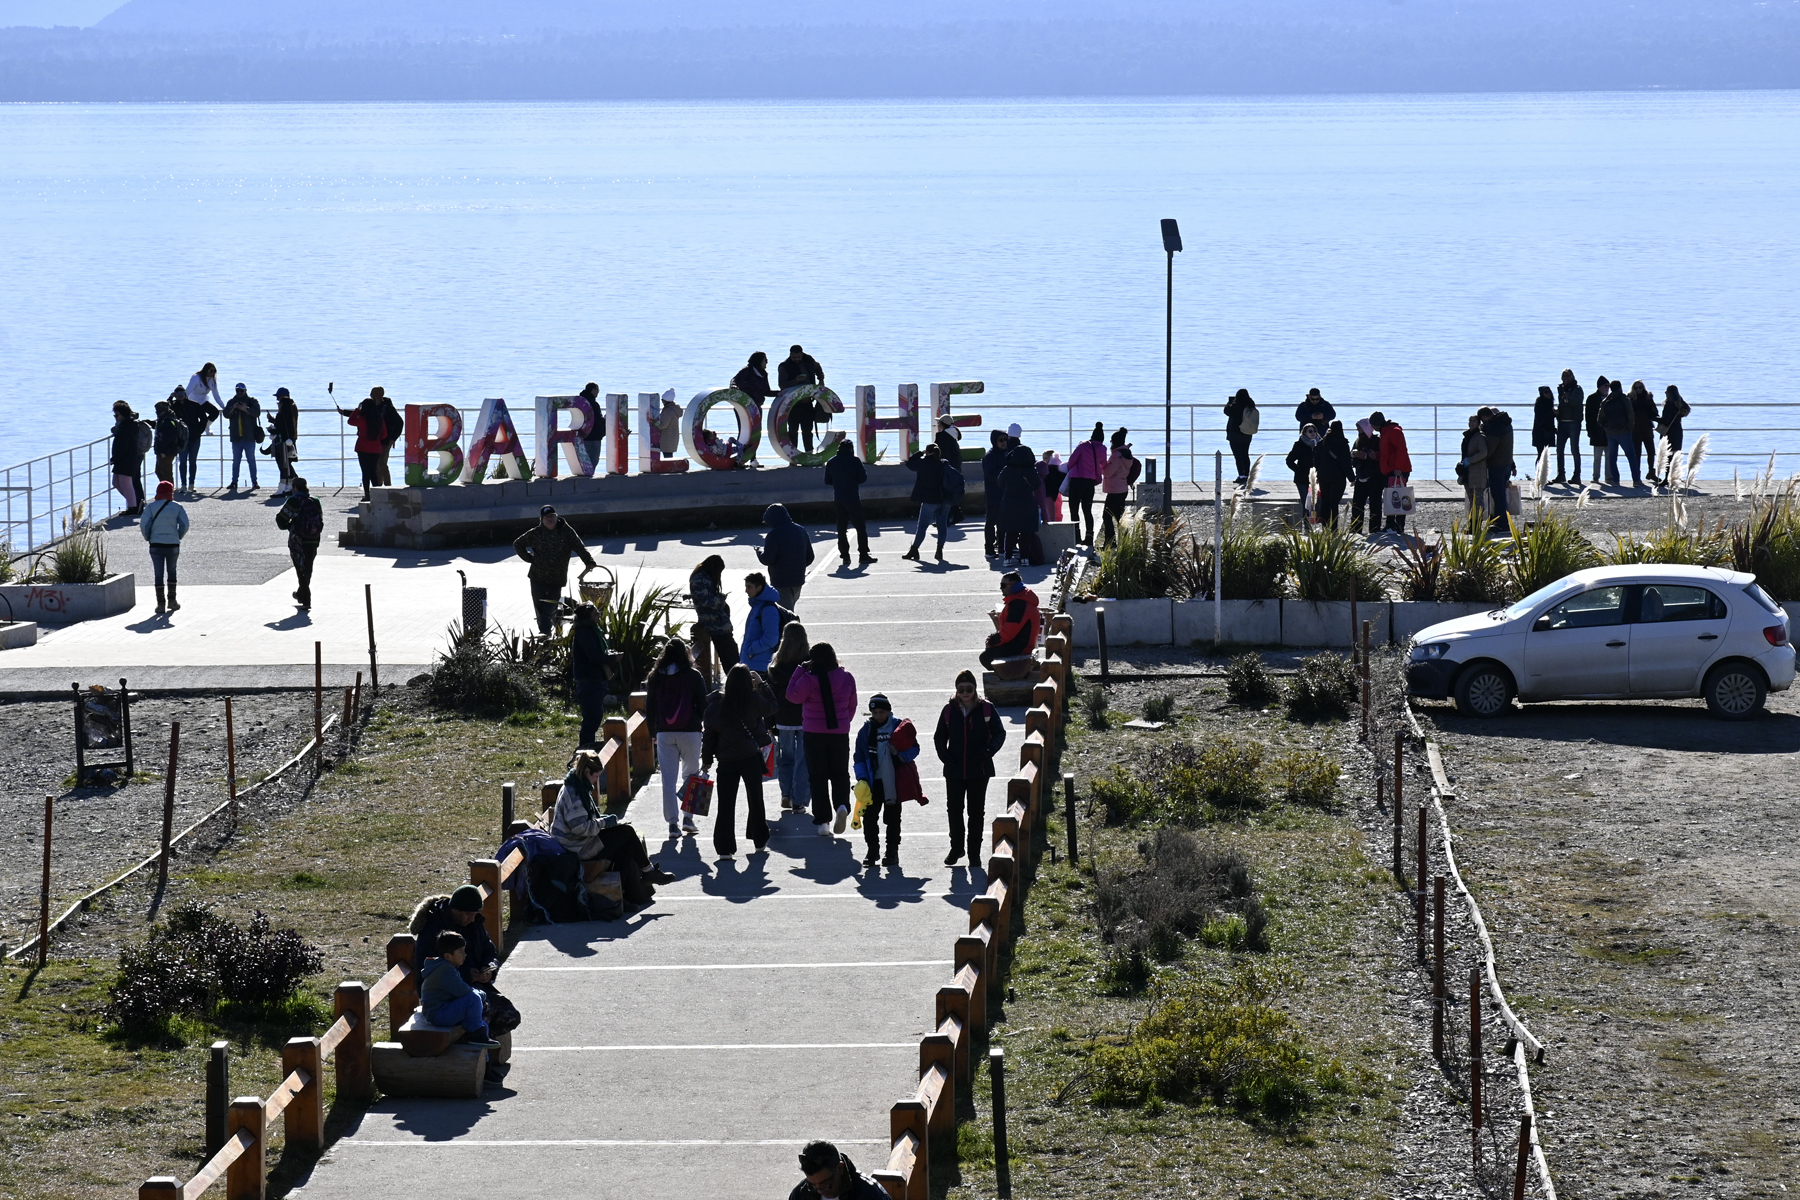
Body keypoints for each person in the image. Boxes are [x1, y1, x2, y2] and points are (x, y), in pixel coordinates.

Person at [409, 883, 527, 1080]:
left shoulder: (474, 922)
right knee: (482, 1011)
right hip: (446, 992)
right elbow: (435, 969)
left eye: (474, 915)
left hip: (471, 985)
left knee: (509, 1016)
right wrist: (467, 975)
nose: (471, 919)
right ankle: (479, 1062)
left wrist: (489, 968)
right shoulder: (434, 930)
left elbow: (489, 949)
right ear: (455, 909)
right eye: (467, 915)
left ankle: (474, 1047)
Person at [550, 749, 673, 895]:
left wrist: (606, 821)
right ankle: (648, 872)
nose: (596, 781)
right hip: (576, 846)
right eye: (596, 776)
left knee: (626, 847)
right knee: (627, 833)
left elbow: (586, 821)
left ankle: (621, 896)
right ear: (587, 771)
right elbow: (580, 828)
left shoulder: (579, 785)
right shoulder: (574, 793)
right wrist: (605, 823)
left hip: (580, 841)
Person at [702, 664, 779, 857]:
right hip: (750, 757)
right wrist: (762, 684)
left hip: (726, 761)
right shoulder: (753, 701)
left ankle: (725, 848)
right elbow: (773, 706)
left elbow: (709, 736)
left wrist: (707, 759)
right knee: (755, 799)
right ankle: (759, 840)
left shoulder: (715, 706)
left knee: (726, 804)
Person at [784, 642, 857, 836]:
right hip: (839, 732)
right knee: (840, 773)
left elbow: (791, 695)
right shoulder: (847, 677)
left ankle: (823, 821)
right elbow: (852, 704)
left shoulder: (809, 679)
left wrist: (800, 670)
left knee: (818, 777)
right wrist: (843, 722)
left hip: (814, 733)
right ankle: (842, 805)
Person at [934, 669, 1005, 867]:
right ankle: (956, 848)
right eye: (961, 689)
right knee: (954, 811)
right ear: (956, 690)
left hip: (979, 770)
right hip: (954, 770)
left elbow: (1000, 733)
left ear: (975, 689)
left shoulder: (986, 709)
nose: (965, 692)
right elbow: (939, 736)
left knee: (976, 813)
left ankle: (974, 853)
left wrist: (987, 752)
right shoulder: (949, 710)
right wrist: (944, 756)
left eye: (969, 688)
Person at [645, 638, 708, 837]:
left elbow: (650, 707)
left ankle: (673, 824)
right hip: (691, 732)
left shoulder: (655, 677)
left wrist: (653, 733)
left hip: (664, 733)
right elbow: (704, 705)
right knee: (692, 775)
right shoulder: (693, 675)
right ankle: (688, 818)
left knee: (668, 780)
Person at [853, 694, 921, 868]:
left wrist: (902, 758)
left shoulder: (899, 726)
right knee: (869, 819)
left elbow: (915, 747)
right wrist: (861, 778)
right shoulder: (866, 731)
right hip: (872, 782)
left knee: (892, 819)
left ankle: (892, 852)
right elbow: (859, 757)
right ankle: (872, 851)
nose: (878, 716)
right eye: (874, 712)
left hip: (893, 782)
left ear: (888, 711)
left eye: (882, 712)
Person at [513, 505, 597, 636]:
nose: (549, 519)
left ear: (556, 516)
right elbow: (518, 544)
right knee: (540, 611)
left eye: (551, 516)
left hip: (556, 579)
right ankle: (545, 638)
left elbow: (579, 547)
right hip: (537, 577)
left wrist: (589, 561)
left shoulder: (567, 531)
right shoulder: (536, 533)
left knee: (549, 611)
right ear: (542, 519)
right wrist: (530, 559)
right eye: (546, 517)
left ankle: (544, 635)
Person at [418, 931, 499, 1048]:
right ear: (448, 956)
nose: (465, 955)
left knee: (483, 1025)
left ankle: (483, 1062)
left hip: (444, 1009)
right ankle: (475, 1034)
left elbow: (463, 991)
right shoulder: (445, 970)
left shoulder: (447, 966)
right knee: (473, 999)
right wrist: (482, 995)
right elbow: (464, 991)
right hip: (437, 1014)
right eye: (461, 952)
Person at [768, 623, 813, 814]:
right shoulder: (810, 663)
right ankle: (799, 799)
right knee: (804, 759)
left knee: (786, 757)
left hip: (783, 717)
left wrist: (769, 723)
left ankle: (785, 793)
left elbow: (770, 695)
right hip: (806, 717)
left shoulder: (777, 664)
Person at [901, 443, 957, 564]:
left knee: (922, 527)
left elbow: (909, 463)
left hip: (929, 501)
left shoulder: (922, 463)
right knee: (942, 526)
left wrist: (920, 453)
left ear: (927, 452)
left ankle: (914, 550)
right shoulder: (944, 463)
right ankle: (939, 550)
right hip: (944, 500)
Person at [140, 480, 190, 614]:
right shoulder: (178, 507)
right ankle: (172, 601)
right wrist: (178, 536)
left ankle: (160, 604)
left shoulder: (150, 507)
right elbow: (185, 525)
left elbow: (144, 525)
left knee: (158, 573)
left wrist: (148, 537)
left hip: (156, 544)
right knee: (172, 571)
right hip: (173, 544)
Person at [823, 439, 875, 567]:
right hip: (853, 497)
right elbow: (863, 478)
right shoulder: (855, 461)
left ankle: (845, 556)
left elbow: (827, 481)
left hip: (838, 498)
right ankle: (863, 554)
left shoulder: (832, 462)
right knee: (860, 527)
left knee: (841, 529)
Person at [276, 476, 324, 609]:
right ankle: (301, 595)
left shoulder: (294, 501)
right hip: (313, 539)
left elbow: (281, 521)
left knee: (300, 569)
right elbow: (320, 518)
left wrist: (291, 525)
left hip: (298, 540)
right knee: (308, 568)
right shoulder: (315, 501)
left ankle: (306, 599)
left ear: (295, 487)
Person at [569, 602, 612, 749]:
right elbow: (594, 656)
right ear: (588, 616)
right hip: (588, 680)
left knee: (595, 715)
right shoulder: (584, 632)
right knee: (591, 718)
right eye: (595, 613)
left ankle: (588, 748)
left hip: (595, 679)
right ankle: (585, 750)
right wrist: (612, 658)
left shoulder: (593, 630)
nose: (599, 615)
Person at [688, 555, 740, 674]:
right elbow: (708, 601)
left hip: (717, 622)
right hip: (714, 624)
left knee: (731, 653)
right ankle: (736, 680)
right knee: (730, 656)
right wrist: (721, 598)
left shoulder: (703, 576)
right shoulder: (699, 579)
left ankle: (736, 678)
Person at [339, 387, 396, 496]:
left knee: (366, 472)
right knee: (374, 471)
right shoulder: (380, 419)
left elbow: (350, 421)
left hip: (362, 448)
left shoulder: (362, 419)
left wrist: (357, 409)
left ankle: (367, 494)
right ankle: (377, 494)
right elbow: (384, 434)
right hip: (376, 448)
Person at [758, 503, 815, 610]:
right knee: (790, 606)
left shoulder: (774, 535)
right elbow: (810, 557)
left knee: (786, 613)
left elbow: (768, 559)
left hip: (781, 581)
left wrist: (759, 552)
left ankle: (792, 626)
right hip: (798, 579)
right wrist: (798, 566)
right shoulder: (801, 530)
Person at [789, 1139, 889, 1200]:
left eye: (825, 1184)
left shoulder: (871, 1194)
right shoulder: (801, 1193)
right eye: (812, 1185)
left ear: (840, 1168)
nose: (819, 1191)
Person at [980, 571, 1040, 668]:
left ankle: (1008, 679)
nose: (1001, 588)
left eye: (1003, 585)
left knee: (986, 657)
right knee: (989, 653)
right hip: (1019, 644)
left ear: (1013, 586)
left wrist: (991, 641)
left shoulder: (1019, 604)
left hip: (1021, 648)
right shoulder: (1021, 600)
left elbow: (1009, 633)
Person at [995, 444, 1041, 567]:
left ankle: (1007, 558)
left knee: (1010, 532)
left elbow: (999, 482)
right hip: (1027, 503)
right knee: (1025, 532)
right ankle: (1025, 558)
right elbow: (1037, 485)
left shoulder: (1007, 469)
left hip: (1009, 503)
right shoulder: (1031, 470)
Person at [179, 365, 221, 492]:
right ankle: (184, 485)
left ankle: (191, 484)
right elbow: (187, 391)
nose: (212, 373)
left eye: (214, 371)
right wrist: (184, 404)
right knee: (183, 461)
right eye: (210, 371)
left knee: (214, 413)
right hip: (194, 403)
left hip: (203, 402)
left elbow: (216, 394)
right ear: (205, 370)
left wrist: (223, 407)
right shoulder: (196, 378)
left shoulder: (212, 380)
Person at [778, 346, 827, 455]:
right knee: (792, 431)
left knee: (808, 431)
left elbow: (818, 368)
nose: (797, 359)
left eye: (799, 357)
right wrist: (795, 381)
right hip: (793, 405)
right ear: (790, 354)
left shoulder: (809, 360)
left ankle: (809, 453)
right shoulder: (785, 366)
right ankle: (793, 456)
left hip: (808, 403)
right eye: (794, 357)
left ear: (802, 354)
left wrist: (821, 380)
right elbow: (782, 384)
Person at [1063, 423, 1106, 545]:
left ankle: (1076, 537)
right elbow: (1103, 464)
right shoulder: (1102, 449)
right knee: (1087, 510)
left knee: (1074, 510)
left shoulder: (1082, 446)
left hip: (1077, 482)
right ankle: (1089, 538)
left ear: (1092, 436)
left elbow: (1071, 462)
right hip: (1089, 484)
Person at [1371, 411, 1411, 533]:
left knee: (1399, 496)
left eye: (1372, 425)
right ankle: (1391, 524)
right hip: (1391, 469)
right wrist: (1376, 456)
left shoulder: (1393, 431)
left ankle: (1398, 526)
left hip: (1398, 470)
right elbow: (1388, 453)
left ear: (1377, 424)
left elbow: (1401, 449)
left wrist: (1398, 467)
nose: (1372, 428)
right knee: (1392, 496)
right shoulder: (1385, 432)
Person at [739, 571, 785, 673]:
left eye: (749, 587)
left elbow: (771, 638)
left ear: (759, 588)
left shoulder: (768, 609)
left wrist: (751, 650)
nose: (746, 591)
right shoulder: (758, 606)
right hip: (753, 663)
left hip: (760, 666)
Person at [1312, 420, 1353, 529]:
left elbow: (1316, 459)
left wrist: (1319, 470)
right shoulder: (1343, 444)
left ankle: (1325, 525)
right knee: (1334, 503)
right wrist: (1352, 478)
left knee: (1325, 501)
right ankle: (1333, 527)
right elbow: (1346, 463)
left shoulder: (1323, 442)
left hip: (1323, 475)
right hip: (1338, 477)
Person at [1099, 429, 1137, 547]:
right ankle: (1126, 541)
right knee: (1120, 517)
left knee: (1107, 516)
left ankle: (1110, 542)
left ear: (1114, 442)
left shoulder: (1116, 456)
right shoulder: (1127, 453)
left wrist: (1102, 463)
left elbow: (1108, 473)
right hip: (1122, 489)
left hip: (1114, 490)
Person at [224, 383, 262, 492]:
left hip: (249, 437)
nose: (240, 393)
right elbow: (226, 414)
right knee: (236, 461)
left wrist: (246, 409)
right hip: (236, 437)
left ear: (246, 391)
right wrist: (233, 408)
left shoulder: (252, 401)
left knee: (251, 460)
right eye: (238, 391)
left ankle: (254, 482)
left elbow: (257, 412)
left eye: (242, 391)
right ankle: (234, 482)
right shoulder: (231, 402)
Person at [110, 401, 145, 515]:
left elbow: (123, 445)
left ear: (123, 414)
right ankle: (135, 503)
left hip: (126, 459)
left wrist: (116, 457)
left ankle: (134, 506)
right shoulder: (125, 425)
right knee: (116, 482)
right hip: (123, 459)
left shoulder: (126, 427)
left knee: (126, 483)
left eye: (117, 415)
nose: (115, 417)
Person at [1600, 379, 1637, 487]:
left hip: (1610, 433)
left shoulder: (1606, 401)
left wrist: (1606, 428)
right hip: (1624, 432)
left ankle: (1616, 481)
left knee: (1612, 458)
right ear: (1620, 387)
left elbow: (1600, 418)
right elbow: (1630, 414)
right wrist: (1630, 428)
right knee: (1631, 456)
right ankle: (1636, 480)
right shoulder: (1624, 399)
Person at [1483, 407, 1515, 525]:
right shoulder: (1507, 424)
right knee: (1500, 494)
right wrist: (1512, 464)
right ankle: (1498, 519)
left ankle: (1502, 522)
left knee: (1498, 495)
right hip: (1506, 463)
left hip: (1497, 465)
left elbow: (1490, 449)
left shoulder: (1496, 428)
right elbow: (1506, 447)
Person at [980, 430, 1010, 558]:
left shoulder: (1007, 454)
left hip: (1005, 493)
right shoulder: (990, 456)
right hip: (993, 494)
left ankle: (1002, 548)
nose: (1004, 442)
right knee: (991, 521)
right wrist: (1005, 472)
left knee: (1004, 522)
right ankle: (989, 549)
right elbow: (991, 475)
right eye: (1000, 440)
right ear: (994, 441)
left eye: (1005, 439)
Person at [1348, 418, 1381, 534]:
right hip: (1361, 475)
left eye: (1360, 428)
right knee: (1357, 504)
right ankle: (1356, 529)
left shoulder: (1377, 440)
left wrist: (1367, 456)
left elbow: (1380, 457)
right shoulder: (1358, 441)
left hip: (1374, 476)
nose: (1358, 431)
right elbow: (1351, 456)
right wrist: (1354, 454)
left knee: (1375, 504)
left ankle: (1374, 529)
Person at [1554, 369, 1584, 485]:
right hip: (1562, 423)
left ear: (1572, 377)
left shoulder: (1577, 389)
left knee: (1574, 450)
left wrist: (1568, 399)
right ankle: (1561, 474)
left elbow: (1577, 402)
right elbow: (1562, 403)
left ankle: (1577, 475)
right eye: (1563, 377)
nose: (1565, 379)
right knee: (1559, 450)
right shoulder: (1561, 389)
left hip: (1573, 423)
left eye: (1567, 376)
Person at [1224, 389, 1258, 485]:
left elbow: (1227, 411)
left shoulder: (1236, 405)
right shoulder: (1250, 405)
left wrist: (1229, 403)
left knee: (1238, 456)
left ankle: (1241, 476)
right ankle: (1247, 475)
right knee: (1245, 454)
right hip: (1247, 433)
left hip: (1235, 433)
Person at [1458, 413, 1490, 520]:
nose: (1471, 423)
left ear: (1478, 423)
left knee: (1478, 501)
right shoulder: (1467, 437)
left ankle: (1477, 525)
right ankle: (1472, 524)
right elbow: (1464, 454)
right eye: (1470, 420)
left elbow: (1483, 453)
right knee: (1471, 500)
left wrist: (1470, 460)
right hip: (1467, 473)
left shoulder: (1480, 437)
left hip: (1478, 473)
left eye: (1474, 421)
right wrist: (1461, 465)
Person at [1284, 424, 1318, 522]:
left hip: (1316, 478)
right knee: (1305, 501)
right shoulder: (1299, 445)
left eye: (1314, 431)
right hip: (1302, 479)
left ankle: (1313, 522)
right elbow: (1289, 460)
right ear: (1305, 433)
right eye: (1310, 431)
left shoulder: (1319, 444)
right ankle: (1306, 523)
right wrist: (1298, 471)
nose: (1313, 433)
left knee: (1314, 502)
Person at [1630, 380, 1661, 485]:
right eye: (1636, 388)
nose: (1638, 390)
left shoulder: (1648, 398)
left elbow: (1655, 411)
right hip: (1635, 429)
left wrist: (1652, 413)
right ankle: (1637, 476)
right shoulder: (1630, 398)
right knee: (1637, 454)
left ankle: (1651, 472)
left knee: (1651, 452)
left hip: (1647, 428)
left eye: (1640, 387)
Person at [270, 387, 300, 495]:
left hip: (284, 440)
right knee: (287, 464)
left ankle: (288, 486)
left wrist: (273, 428)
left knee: (283, 464)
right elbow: (287, 423)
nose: (278, 401)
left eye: (278, 398)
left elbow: (284, 425)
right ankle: (292, 486)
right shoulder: (292, 406)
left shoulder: (285, 408)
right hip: (289, 439)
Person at [152, 398, 187, 485]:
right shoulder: (166, 418)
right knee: (159, 471)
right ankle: (165, 490)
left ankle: (169, 493)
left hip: (167, 452)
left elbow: (167, 437)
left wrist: (163, 451)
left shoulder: (168, 420)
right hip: (164, 451)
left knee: (166, 473)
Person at [1586, 375, 1611, 485]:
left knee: (1609, 456)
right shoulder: (1591, 399)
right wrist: (1589, 431)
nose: (1607, 388)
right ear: (1600, 386)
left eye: (1608, 386)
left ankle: (1609, 476)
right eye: (1605, 386)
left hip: (1609, 432)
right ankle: (1596, 476)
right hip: (1597, 432)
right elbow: (1588, 417)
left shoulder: (1611, 398)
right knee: (1597, 457)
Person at [1531, 386, 1556, 481]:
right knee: (1541, 454)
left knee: (1545, 455)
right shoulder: (1539, 403)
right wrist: (1552, 414)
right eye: (1546, 392)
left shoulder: (1549, 403)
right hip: (1540, 432)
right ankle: (1539, 476)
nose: (1548, 394)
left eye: (1549, 392)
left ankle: (1543, 477)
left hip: (1548, 432)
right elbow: (1540, 419)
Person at [577, 382, 605, 468]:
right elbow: (597, 420)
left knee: (583, 461)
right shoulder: (593, 403)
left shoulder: (579, 401)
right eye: (597, 390)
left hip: (582, 435)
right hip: (593, 436)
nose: (598, 393)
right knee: (593, 460)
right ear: (593, 389)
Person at [1660, 384, 1691, 456]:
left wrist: (1654, 418)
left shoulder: (1669, 403)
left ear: (1668, 393)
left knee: (1666, 455)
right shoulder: (1682, 404)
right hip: (1678, 431)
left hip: (1668, 431)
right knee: (1675, 453)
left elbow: (1666, 419)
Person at [1037, 449, 1065, 522]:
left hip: (1050, 493)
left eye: (1046, 458)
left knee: (1054, 509)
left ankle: (1054, 521)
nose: (1044, 460)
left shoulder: (1050, 470)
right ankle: (1057, 521)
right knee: (1056, 509)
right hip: (1056, 493)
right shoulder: (1058, 468)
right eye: (1043, 459)